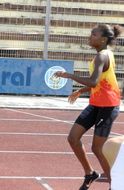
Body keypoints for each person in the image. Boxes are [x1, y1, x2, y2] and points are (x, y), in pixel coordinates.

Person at [54, 24, 122, 190]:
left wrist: (69, 75)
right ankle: (90, 173)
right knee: (73, 138)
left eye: (94, 34)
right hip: (96, 103)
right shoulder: (102, 55)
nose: (90, 36)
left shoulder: (102, 56)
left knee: (97, 148)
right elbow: (99, 82)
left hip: (108, 106)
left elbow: (93, 81)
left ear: (104, 39)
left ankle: (116, 184)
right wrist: (81, 91)